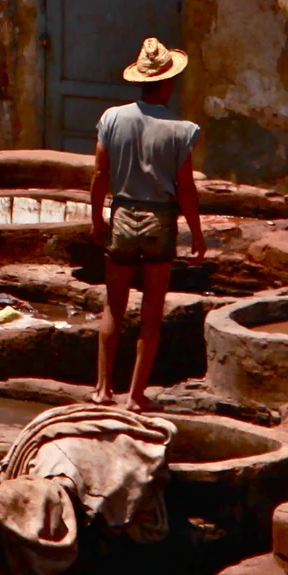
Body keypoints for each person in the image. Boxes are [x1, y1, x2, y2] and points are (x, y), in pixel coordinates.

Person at [90, 36, 205, 411]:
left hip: (122, 215)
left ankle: (103, 390)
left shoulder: (111, 119)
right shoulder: (181, 129)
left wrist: (97, 220)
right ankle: (136, 396)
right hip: (159, 221)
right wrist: (197, 235)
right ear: (168, 82)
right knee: (151, 312)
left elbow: (99, 175)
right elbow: (185, 189)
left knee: (114, 308)